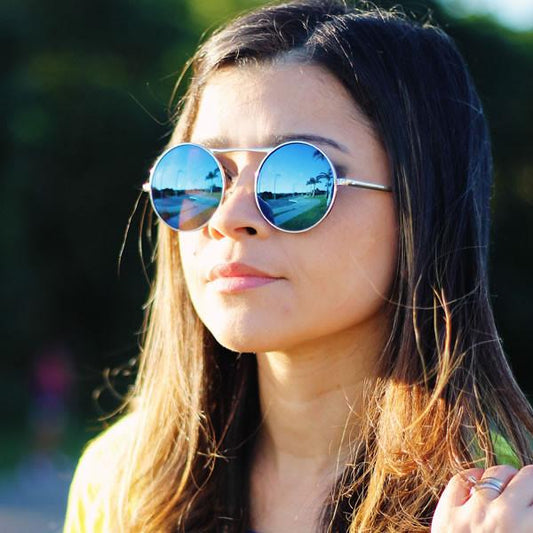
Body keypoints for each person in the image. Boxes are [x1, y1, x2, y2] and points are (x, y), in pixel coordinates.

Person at [63, 1, 533, 531]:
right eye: (200, 177)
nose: (228, 218)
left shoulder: (509, 504)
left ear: (421, 207)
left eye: (296, 178)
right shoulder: (124, 481)